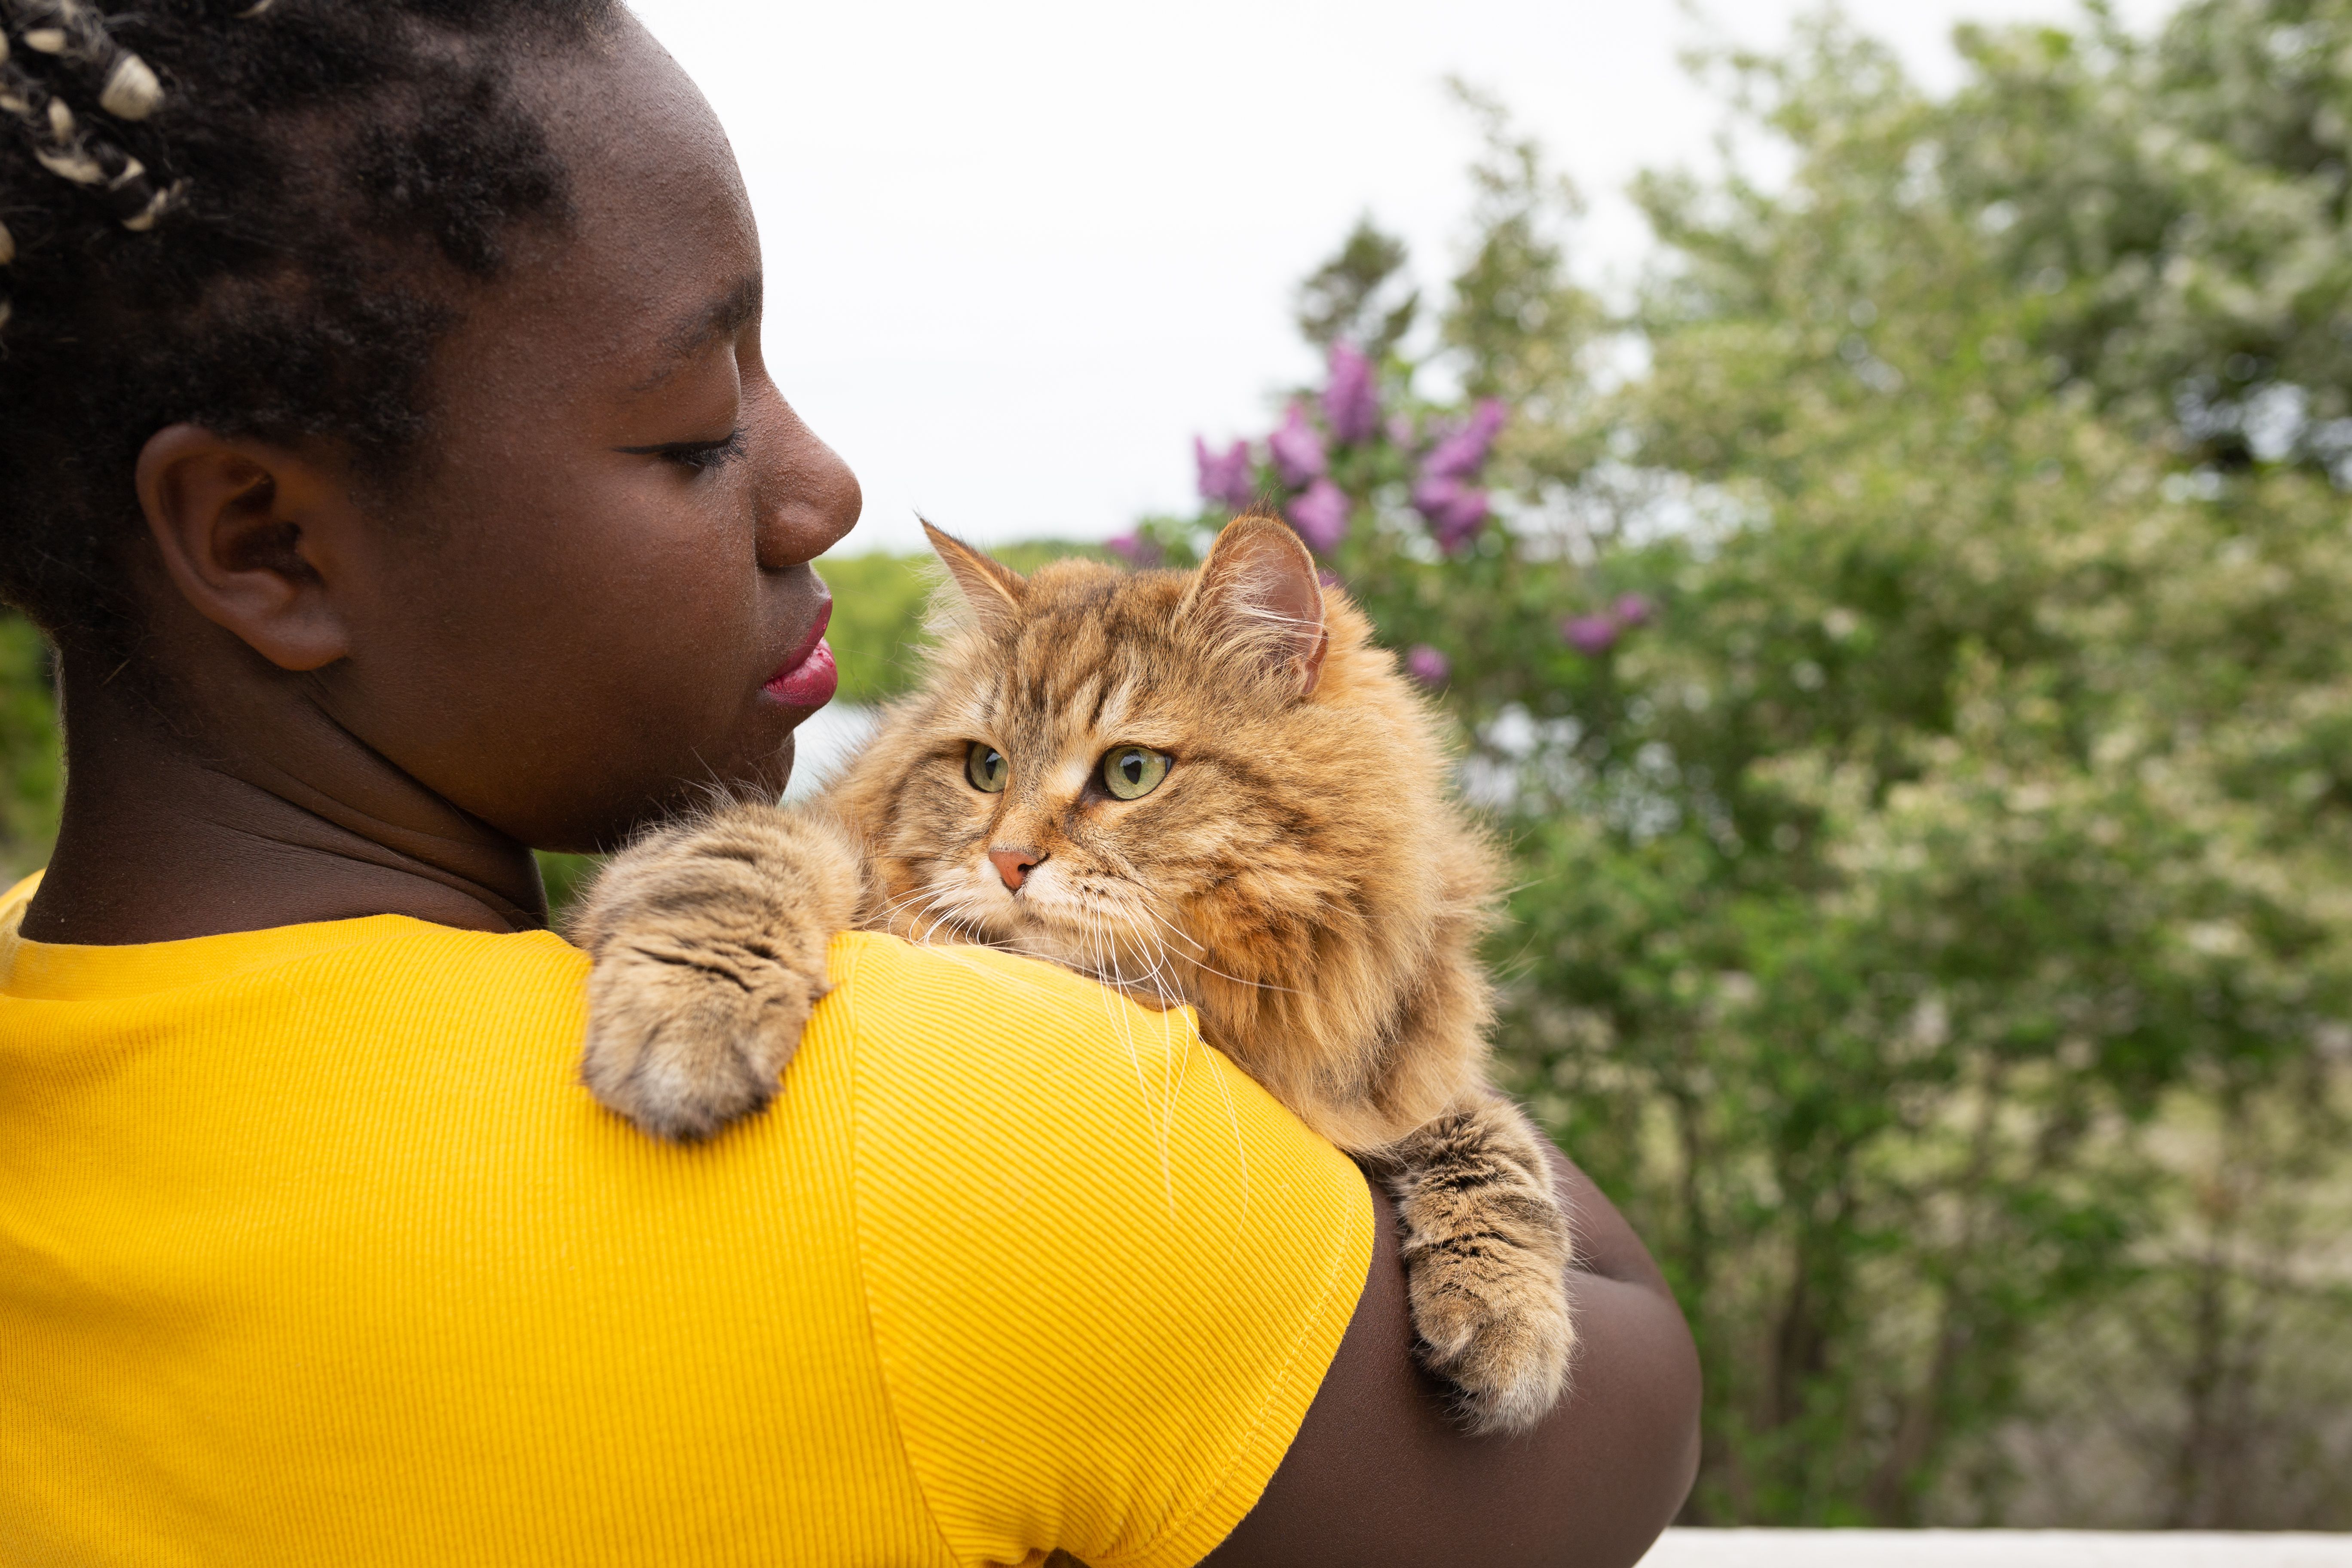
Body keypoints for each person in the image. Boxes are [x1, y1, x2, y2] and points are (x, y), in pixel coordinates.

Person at [0, 3, 1700, 1563]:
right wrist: (1392, 1001)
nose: (827, 489)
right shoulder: (987, 1130)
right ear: (264, 541)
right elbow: (1628, 1412)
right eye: (694, 429)